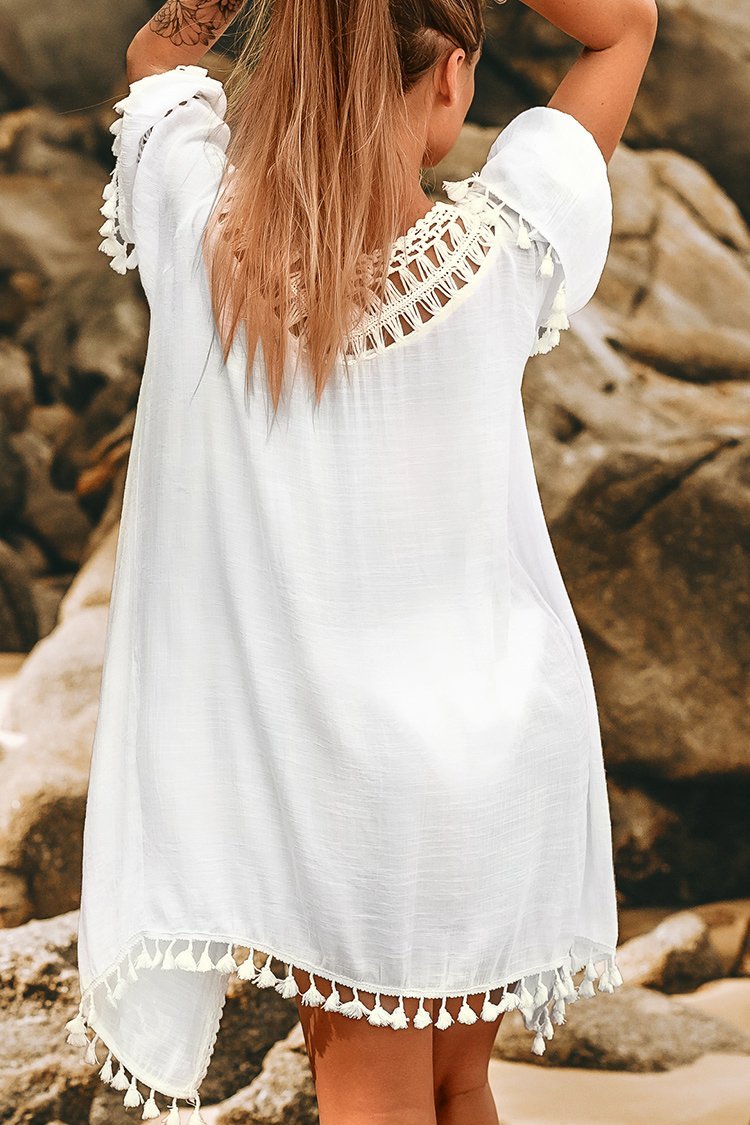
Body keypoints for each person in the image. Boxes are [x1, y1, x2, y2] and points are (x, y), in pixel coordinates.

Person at [64, 1, 658, 1123]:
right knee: (459, 1086)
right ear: (452, 81)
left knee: (374, 1101)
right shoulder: (500, 250)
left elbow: (157, 55)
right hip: (502, 751)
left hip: (342, 782)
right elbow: (625, 28)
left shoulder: (199, 236)